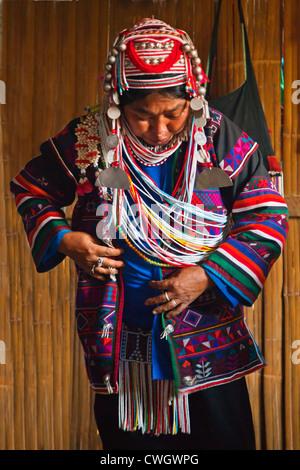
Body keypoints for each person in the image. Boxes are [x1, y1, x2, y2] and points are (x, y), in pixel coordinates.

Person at [10, 18, 289, 450]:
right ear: (119, 103)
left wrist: (206, 275)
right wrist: (67, 241)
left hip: (205, 333)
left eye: (173, 114)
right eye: (142, 117)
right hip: (118, 332)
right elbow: (30, 189)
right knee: (128, 446)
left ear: (191, 100)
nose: (159, 130)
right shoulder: (90, 139)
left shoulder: (216, 137)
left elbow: (267, 216)